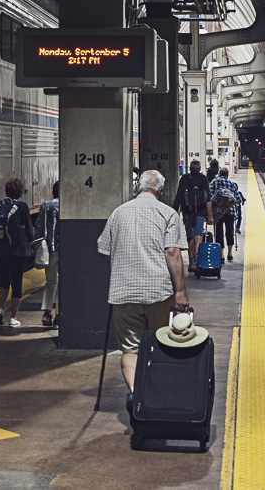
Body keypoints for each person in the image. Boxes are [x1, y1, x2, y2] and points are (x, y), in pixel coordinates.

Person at [97, 169, 189, 399]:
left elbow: (104, 252)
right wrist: (181, 293)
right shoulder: (167, 213)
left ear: (137, 188)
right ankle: (155, 395)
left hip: (124, 293)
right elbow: (172, 252)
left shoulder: (118, 213)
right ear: (160, 190)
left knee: (130, 349)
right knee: (159, 343)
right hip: (158, 292)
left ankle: (134, 391)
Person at [0, 177, 34, 327]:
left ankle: (0, 310)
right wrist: (33, 243)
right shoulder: (22, 206)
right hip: (17, 250)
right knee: (17, 282)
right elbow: (28, 230)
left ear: (6, 191)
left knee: (4, 281)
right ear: (20, 192)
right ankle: (13, 317)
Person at [171, 159, 212, 270]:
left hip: (187, 212)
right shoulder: (204, 179)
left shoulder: (185, 178)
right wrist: (210, 215)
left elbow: (179, 195)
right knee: (198, 234)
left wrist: (174, 212)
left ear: (189, 168)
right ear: (199, 169)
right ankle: (198, 259)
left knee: (190, 235)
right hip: (201, 211)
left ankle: (191, 262)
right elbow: (208, 198)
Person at [38, 180, 60, 328]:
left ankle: (46, 312)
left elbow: (39, 226)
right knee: (64, 284)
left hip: (50, 250)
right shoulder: (70, 205)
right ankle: (59, 315)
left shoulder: (46, 205)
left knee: (50, 282)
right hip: (66, 250)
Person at [209, 167, 243, 262]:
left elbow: (210, 197)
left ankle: (221, 255)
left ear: (219, 174)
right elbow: (238, 199)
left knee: (218, 232)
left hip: (218, 212)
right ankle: (230, 253)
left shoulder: (214, 182)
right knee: (229, 232)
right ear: (227, 175)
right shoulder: (232, 184)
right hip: (230, 212)